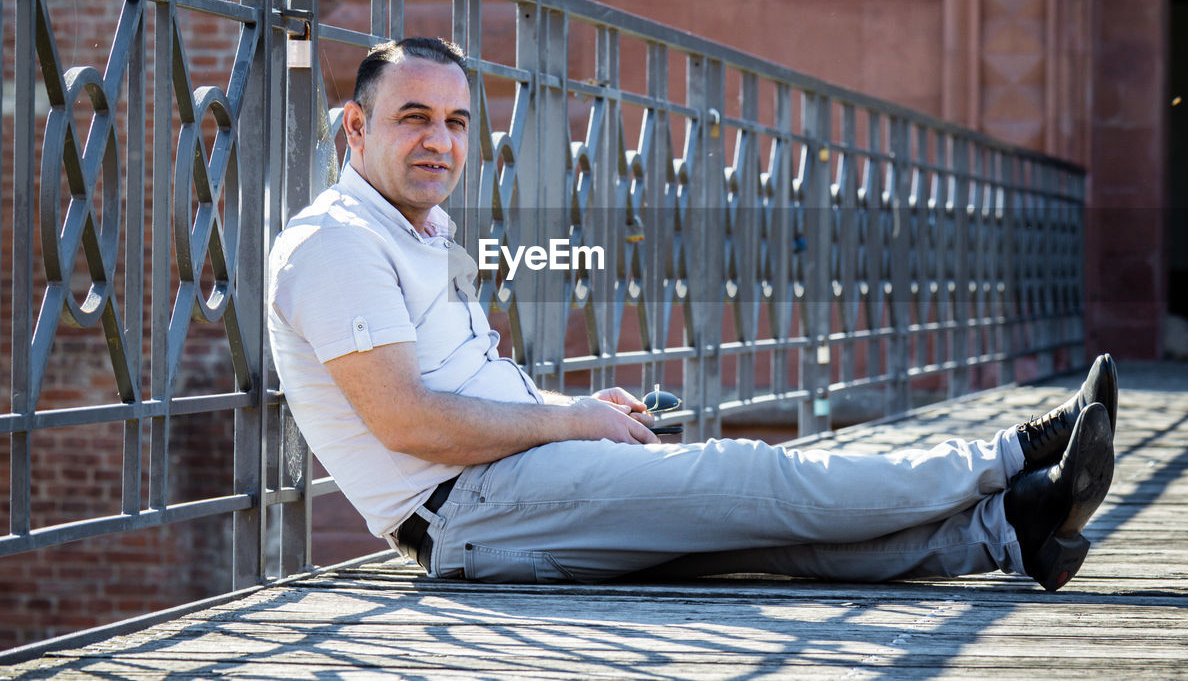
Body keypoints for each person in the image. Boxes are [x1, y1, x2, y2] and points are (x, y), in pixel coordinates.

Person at [267, 37, 1118, 592]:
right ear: (354, 127)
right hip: (466, 510)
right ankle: (1012, 453)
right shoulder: (335, 245)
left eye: (455, 121)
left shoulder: (418, 229)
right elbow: (408, 420)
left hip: (502, 491)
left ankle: (1014, 527)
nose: (440, 142)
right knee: (754, 479)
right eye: (413, 117)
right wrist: (568, 421)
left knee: (765, 542)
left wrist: (582, 412)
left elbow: (466, 382)